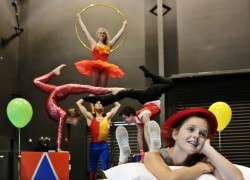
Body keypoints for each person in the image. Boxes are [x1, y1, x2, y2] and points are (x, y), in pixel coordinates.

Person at [33, 64, 125, 152]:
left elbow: (60, 130)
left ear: (72, 117)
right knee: (36, 81)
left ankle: (111, 90)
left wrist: (59, 148)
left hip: (56, 93)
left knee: (87, 88)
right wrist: (59, 148)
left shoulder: (63, 114)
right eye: (78, 119)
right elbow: (60, 131)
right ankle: (54, 72)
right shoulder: (63, 114)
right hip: (56, 93)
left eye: (77, 119)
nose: (78, 121)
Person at [83, 65, 174, 152]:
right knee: (125, 92)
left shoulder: (142, 116)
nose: (125, 121)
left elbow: (144, 133)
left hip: (149, 97)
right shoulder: (141, 118)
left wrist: (147, 150)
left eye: (125, 118)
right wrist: (146, 150)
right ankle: (100, 100)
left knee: (126, 92)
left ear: (131, 115)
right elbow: (142, 134)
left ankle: (101, 100)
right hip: (148, 97)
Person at [143, 107, 244, 180]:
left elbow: (237, 179)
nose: (196, 135)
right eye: (191, 129)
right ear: (175, 134)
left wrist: (208, 149)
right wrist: (201, 168)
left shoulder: (203, 159)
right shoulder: (153, 156)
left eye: (202, 134)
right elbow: (169, 178)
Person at [75, 13, 127, 87]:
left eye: (104, 33)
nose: (102, 34)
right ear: (98, 35)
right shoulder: (93, 43)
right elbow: (85, 31)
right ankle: (94, 97)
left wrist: (124, 25)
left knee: (103, 89)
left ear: (106, 35)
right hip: (95, 67)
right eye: (100, 33)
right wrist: (79, 18)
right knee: (95, 89)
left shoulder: (109, 45)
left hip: (105, 68)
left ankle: (101, 98)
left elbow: (118, 36)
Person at [76, 98, 121, 180]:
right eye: (97, 102)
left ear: (103, 107)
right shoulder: (90, 118)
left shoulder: (107, 117)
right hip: (93, 147)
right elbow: (78, 103)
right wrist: (87, 98)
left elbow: (118, 105)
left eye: (101, 102)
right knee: (93, 169)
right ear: (93, 106)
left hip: (104, 146)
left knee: (105, 168)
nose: (99, 103)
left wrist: (108, 98)